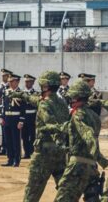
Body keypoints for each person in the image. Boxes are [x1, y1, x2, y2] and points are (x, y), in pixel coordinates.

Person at [54, 81, 108, 202]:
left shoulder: (77, 114)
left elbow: (87, 134)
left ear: (77, 97)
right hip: (92, 166)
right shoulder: (94, 116)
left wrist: (100, 156)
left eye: (72, 97)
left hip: (77, 166)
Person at [24, 71, 70, 202]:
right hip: (60, 152)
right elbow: (34, 99)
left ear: (46, 86)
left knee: (33, 190)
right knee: (64, 189)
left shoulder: (45, 104)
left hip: (44, 153)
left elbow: (50, 123)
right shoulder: (62, 103)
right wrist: (22, 95)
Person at [2, 71, 27, 167]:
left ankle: (17, 160)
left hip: (16, 119)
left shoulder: (21, 93)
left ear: (17, 82)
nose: (11, 83)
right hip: (7, 118)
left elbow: (23, 108)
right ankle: (10, 159)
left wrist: (21, 120)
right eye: (10, 81)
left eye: (13, 81)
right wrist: (1, 117)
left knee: (16, 140)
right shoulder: (6, 92)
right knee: (8, 140)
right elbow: (4, 106)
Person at [21, 73, 38, 158]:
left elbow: (38, 107)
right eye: (26, 82)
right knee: (24, 135)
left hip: (32, 116)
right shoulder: (21, 93)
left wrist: (37, 118)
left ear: (33, 83)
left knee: (32, 135)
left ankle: (31, 151)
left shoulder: (36, 93)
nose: (27, 83)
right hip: (24, 116)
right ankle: (26, 152)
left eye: (29, 82)